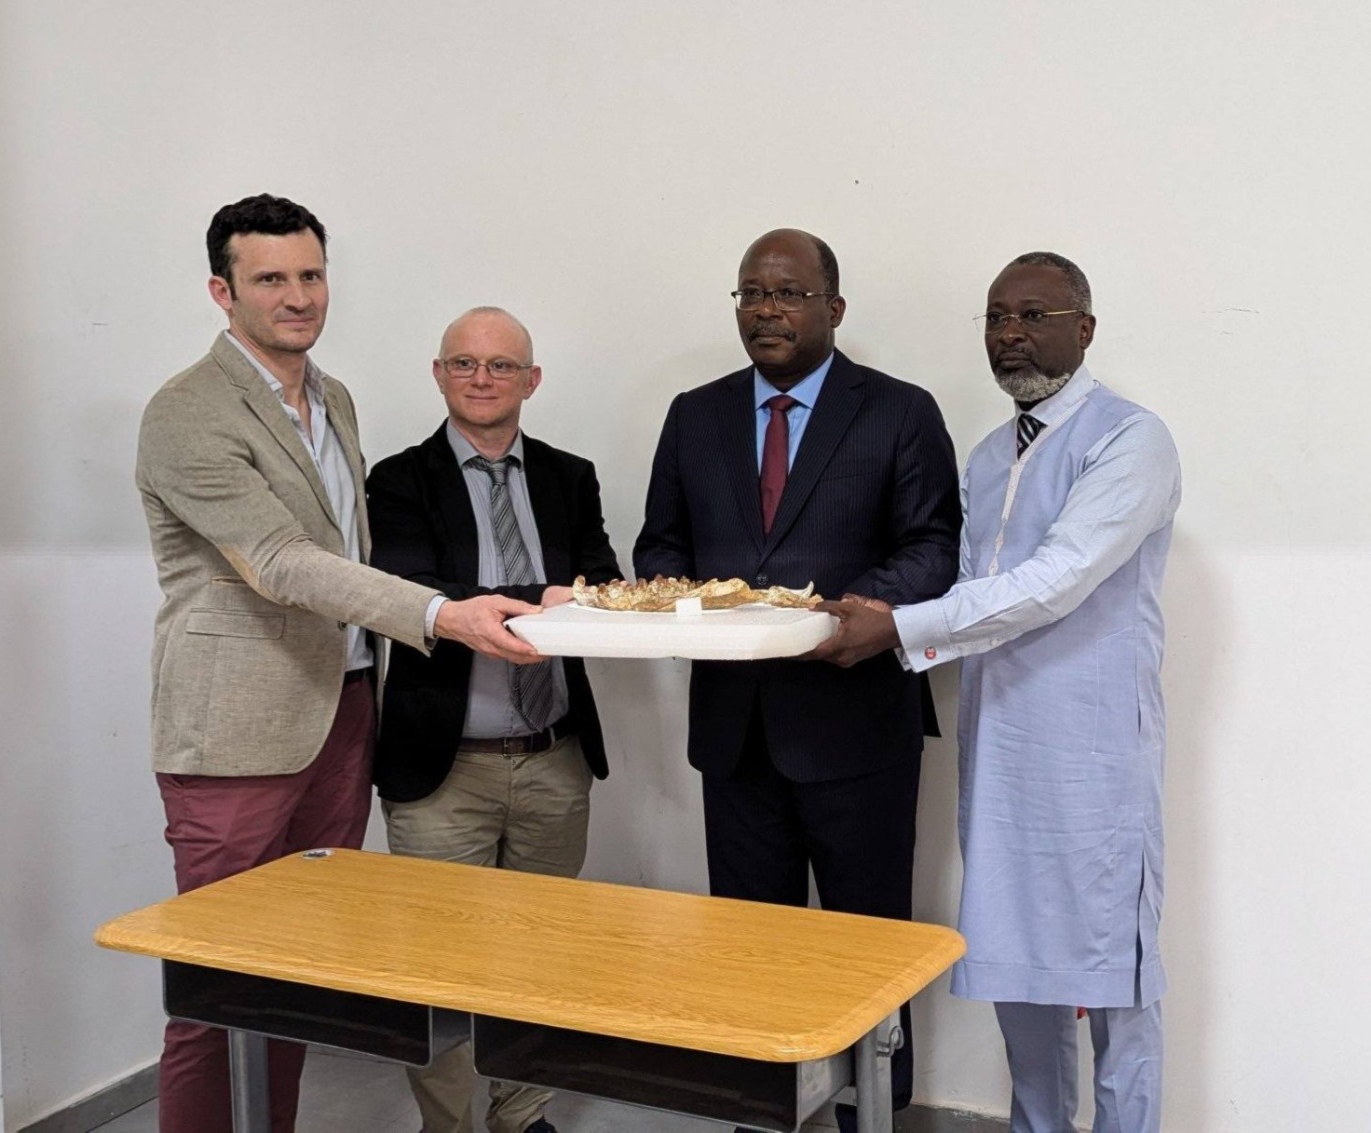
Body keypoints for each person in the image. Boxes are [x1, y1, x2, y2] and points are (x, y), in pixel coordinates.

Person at [135, 195, 543, 1133]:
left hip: (342, 710)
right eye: (270, 278)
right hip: (235, 728)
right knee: (219, 982)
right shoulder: (186, 411)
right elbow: (278, 561)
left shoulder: (335, 398)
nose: (297, 296)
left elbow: (342, 550)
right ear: (221, 290)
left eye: (310, 275)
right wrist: (440, 613)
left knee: (302, 973)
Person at [819, 253, 1180, 1133]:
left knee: (1117, 985)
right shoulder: (987, 455)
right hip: (1003, 753)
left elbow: (1054, 580)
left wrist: (896, 628)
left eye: (1032, 314)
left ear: (1083, 328)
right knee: (1019, 969)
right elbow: (971, 589)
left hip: (1093, 763)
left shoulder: (1131, 439)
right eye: (995, 316)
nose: (1010, 333)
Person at [632, 228, 961, 1128]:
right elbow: (659, 545)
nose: (766, 311)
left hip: (858, 726)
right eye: (749, 294)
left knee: (867, 946)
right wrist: (694, 602)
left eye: (786, 293)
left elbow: (935, 545)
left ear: (833, 309)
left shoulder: (899, 410)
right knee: (747, 946)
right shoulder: (693, 413)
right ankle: (762, 1108)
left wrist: (845, 612)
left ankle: (874, 1113)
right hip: (735, 732)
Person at [366, 306, 622, 1133]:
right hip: (443, 767)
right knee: (437, 964)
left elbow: (604, 580)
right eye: (465, 364)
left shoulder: (568, 475)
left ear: (531, 380)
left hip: (552, 756)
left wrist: (579, 595)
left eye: (501, 365)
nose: (482, 379)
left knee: (541, 954)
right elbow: (410, 583)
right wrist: (526, 600)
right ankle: (448, 1123)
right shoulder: (397, 479)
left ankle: (523, 1113)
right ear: (439, 375)